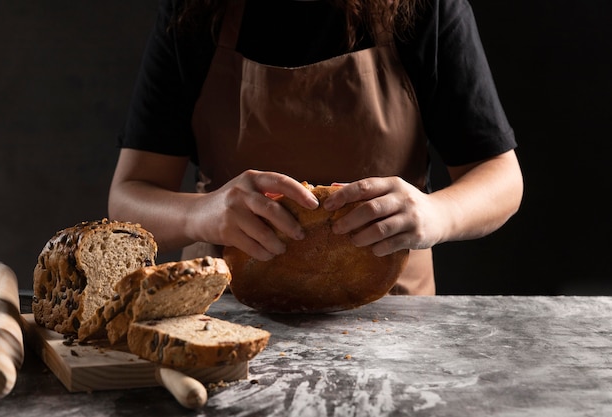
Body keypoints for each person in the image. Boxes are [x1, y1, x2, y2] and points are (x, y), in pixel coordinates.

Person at [108, 0, 523, 295]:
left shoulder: (424, 8)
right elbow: (129, 198)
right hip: (229, 313)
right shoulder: (194, 13)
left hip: (393, 314)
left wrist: (439, 213)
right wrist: (203, 213)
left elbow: (503, 177)